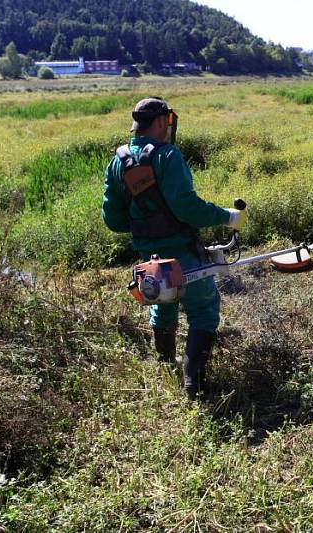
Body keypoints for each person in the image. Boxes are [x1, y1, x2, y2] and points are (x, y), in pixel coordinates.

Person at [101, 97, 246, 400]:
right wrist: (227, 216)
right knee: (203, 311)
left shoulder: (117, 162)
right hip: (183, 254)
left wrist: (147, 225)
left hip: (148, 259)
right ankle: (194, 387)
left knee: (162, 304)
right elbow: (187, 208)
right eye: (166, 122)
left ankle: (166, 366)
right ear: (160, 122)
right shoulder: (168, 155)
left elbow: (113, 219)